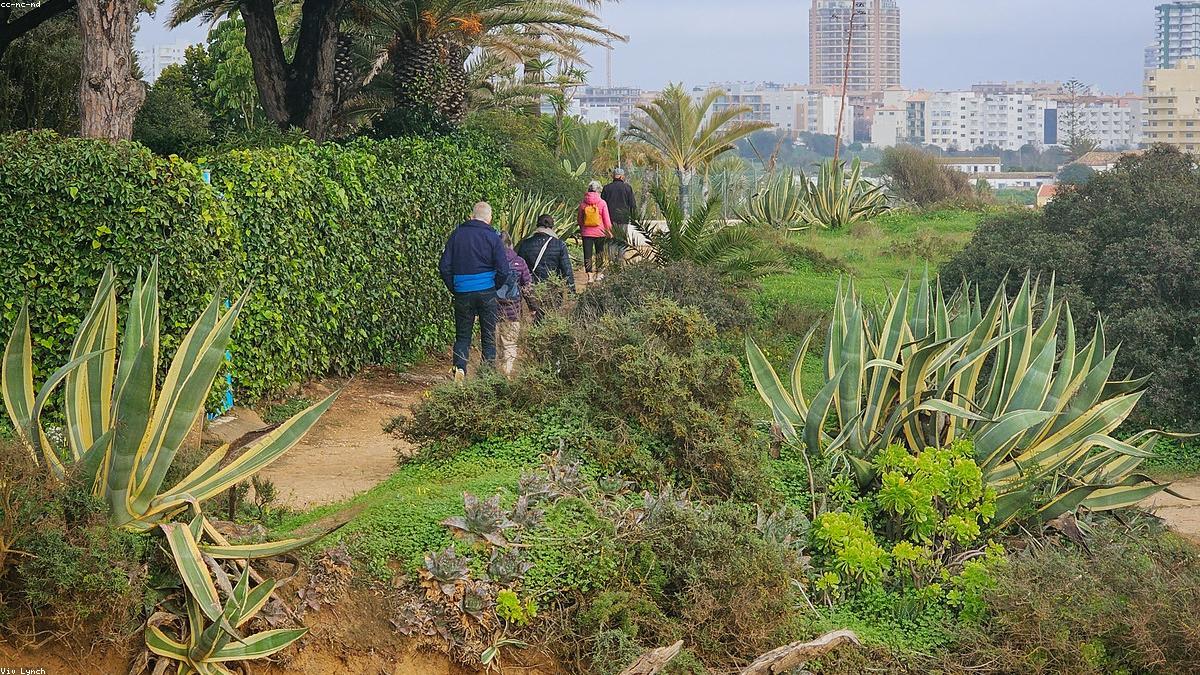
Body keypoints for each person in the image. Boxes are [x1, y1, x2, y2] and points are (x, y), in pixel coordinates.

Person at [438, 202, 511, 382]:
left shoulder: (457, 235)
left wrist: (455, 287)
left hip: (462, 291)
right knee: (488, 334)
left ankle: (460, 368)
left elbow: (444, 267)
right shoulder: (493, 238)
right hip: (486, 290)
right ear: (489, 218)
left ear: (471, 216)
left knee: (462, 334)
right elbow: (503, 269)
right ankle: (486, 377)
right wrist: (494, 286)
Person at [516, 214, 575, 323]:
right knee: (550, 317)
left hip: (532, 289)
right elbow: (567, 270)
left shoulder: (525, 244)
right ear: (552, 227)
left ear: (537, 226)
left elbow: (519, 269)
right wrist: (572, 293)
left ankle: (534, 336)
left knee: (535, 318)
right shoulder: (559, 244)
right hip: (553, 289)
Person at [496, 232, 532, 375]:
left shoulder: (490, 262)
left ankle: (494, 377)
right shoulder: (520, 262)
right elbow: (527, 287)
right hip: (513, 312)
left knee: (495, 346)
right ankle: (507, 372)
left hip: (494, 311)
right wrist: (533, 307)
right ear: (510, 244)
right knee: (510, 346)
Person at [577, 180, 612, 283]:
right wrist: (609, 231)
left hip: (586, 233)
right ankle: (599, 274)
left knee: (587, 254)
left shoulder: (583, 203)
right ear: (599, 190)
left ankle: (590, 277)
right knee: (599, 253)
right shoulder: (602, 203)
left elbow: (579, 219)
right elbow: (606, 219)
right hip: (600, 232)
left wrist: (582, 227)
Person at [601, 167, 637, 241]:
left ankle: (612, 253)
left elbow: (602, 204)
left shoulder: (606, 188)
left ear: (613, 176)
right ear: (622, 176)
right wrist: (633, 217)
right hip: (623, 218)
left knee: (611, 240)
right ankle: (621, 253)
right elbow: (632, 204)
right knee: (622, 241)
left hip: (610, 219)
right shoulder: (627, 188)